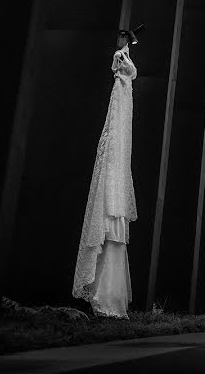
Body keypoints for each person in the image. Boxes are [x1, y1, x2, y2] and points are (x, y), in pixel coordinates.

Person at [72, 32, 138, 318]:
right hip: (118, 119)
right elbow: (122, 69)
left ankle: (107, 298)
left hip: (122, 121)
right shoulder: (120, 67)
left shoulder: (124, 69)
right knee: (113, 152)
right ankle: (102, 296)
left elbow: (128, 71)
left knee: (117, 153)